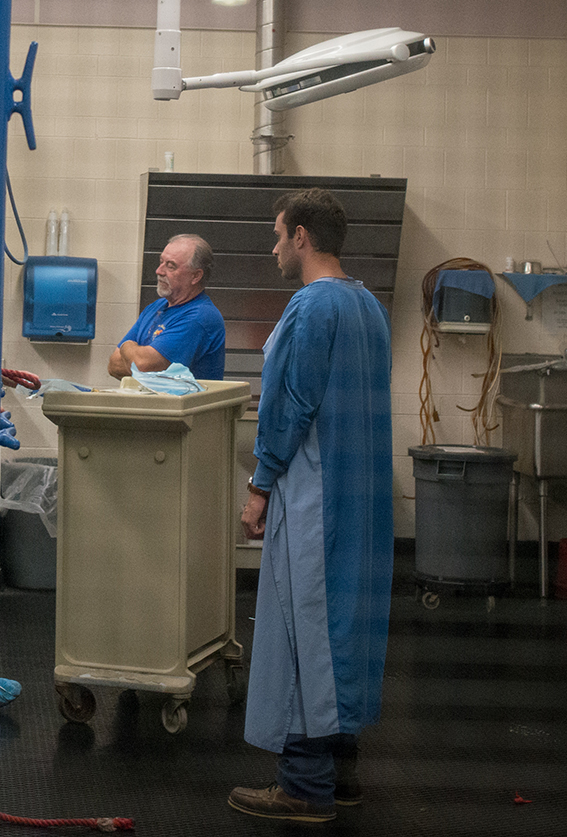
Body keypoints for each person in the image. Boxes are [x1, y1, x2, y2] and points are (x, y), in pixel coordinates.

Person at [230, 188, 393, 823]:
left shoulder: (309, 307)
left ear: (302, 236)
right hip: (363, 500)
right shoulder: (368, 307)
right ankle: (342, 771)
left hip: (313, 498)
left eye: (278, 235)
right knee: (344, 633)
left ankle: (303, 785)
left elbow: (290, 405)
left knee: (304, 630)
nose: (274, 247)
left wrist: (260, 485)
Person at [108, 233, 226, 381]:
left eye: (171, 266)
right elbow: (114, 365)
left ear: (196, 276)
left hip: (185, 404)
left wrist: (127, 345)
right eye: (161, 262)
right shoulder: (155, 307)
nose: (159, 271)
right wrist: (140, 359)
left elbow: (142, 365)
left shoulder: (200, 316)